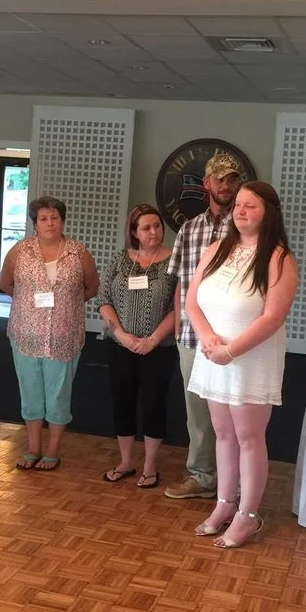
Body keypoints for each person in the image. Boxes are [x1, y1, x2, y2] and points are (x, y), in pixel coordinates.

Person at [186, 181, 298, 548]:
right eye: (238, 205)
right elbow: (191, 302)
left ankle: (248, 515)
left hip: (250, 359)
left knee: (249, 438)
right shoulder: (218, 247)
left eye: (250, 205)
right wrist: (206, 337)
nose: (241, 211)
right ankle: (224, 503)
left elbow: (273, 317)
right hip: (212, 354)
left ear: (268, 212)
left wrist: (231, 351)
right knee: (223, 435)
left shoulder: (278, 257)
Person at [0, 196, 99, 471]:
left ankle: (53, 448)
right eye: (43, 218)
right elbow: (5, 283)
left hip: (64, 336)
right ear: (34, 223)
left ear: (62, 220)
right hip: (25, 334)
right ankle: (33, 447)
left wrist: (66, 306)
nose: (50, 223)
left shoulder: (77, 252)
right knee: (30, 390)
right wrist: (28, 304)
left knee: (58, 393)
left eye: (54, 217)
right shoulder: (20, 250)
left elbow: (91, 287)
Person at [165, 153, 242, 500]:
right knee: (196, 410)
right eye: (219, 179)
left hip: (232, 338)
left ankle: (233, 483)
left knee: (233, 411)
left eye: (232, 179)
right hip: (192, 336)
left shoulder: (246, 227)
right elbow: (179, 282)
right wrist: (181, 326)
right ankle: (202, 475)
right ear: (207, 183)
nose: (225, 185)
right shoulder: (189, 229)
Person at [97, 203, 177, 489]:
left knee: (154, 405)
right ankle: (126, 462)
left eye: (157, 226)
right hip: (120, 347)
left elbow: (178, 308)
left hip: (159, 348)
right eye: (146, 227)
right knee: (122, 403)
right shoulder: (120, 259)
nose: (154, 232)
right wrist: (120, 334)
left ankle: (150, 466)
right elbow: (103, 298)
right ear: (134, 232)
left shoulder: (173, 261)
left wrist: (152, 340)